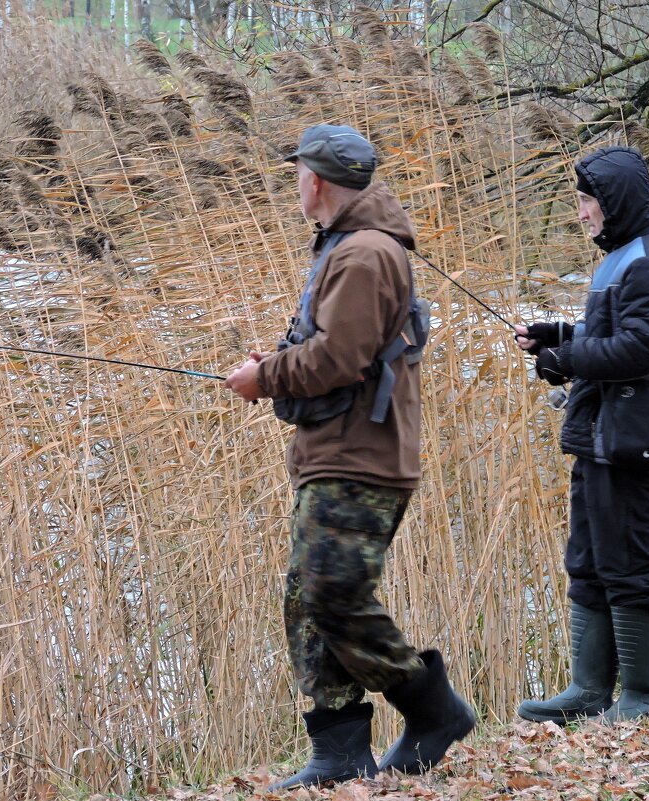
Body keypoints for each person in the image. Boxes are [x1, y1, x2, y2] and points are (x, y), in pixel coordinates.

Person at [225, 124, 475, 790]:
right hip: (338, 449)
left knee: (333, 594)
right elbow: (335, 344)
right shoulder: (348, 246)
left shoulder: (364, 254)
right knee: (308, 598)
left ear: (319, 180)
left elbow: (340, 358)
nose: (296, 182)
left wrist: (265, 377)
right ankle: (338, 751)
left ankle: (433, 707)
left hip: (362, 455)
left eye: (299, 172)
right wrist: (272, 362)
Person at [513, 146, 649, 725]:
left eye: (586, 200)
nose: (580, 212)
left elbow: (644, 350)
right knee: (589, 558)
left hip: (631, 438)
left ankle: (641, 696)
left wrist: (566, 355)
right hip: (602, 434)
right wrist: (560, 334)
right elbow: (613, 332)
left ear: (613, 201)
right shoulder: (624, 256)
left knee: (627, 562)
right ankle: (589, 691)